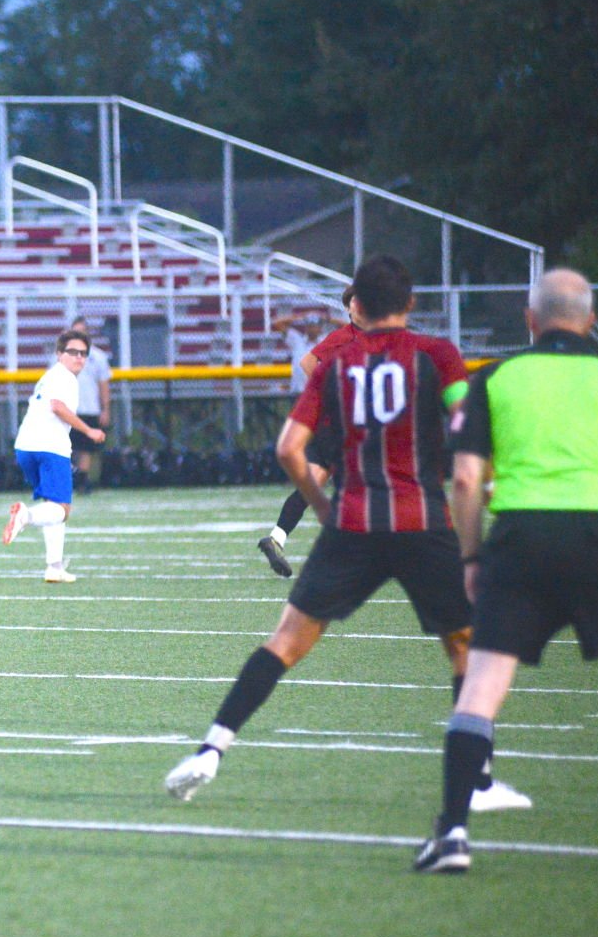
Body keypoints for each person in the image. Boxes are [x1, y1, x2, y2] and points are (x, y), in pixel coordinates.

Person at [162, 255, 526, 811]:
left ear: (357, 303)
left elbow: (288, 448)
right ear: (409, 303)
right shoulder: (438, 355)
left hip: (353, 519)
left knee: (285, 643)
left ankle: (210, 750)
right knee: (464, 646)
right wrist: (488, 485)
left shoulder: (337, 362)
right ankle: (477, 783)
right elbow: (466, 426)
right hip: (421, 518)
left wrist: (323, 510)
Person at [414, 269, 598, 873]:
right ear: (589, 321)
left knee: (481, 691)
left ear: (529, 321)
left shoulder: (498, 379)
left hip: (519, 540)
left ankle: (452, 834)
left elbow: (464, 480)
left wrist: (472, 556)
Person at [258, 292, 363, 577]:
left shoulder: (376, 337)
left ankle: (276, 538)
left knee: (313, 483)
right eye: (354, 304)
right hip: (341, 424)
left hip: (345, 423)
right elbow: (307, 364)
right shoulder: (347, 336)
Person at [2, 330, 105, 582]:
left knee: (52, 501)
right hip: (49, 447)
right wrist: (88, 429)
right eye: (73, 352)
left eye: (83, 354)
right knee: (62, 510)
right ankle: (26, 516)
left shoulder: (49, 377)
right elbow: (57, 407)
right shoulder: (66, 378)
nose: (79, 358)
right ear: (59, 354)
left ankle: (54, 566)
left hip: (25, 446)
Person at [66, 317, 113, 491]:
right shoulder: (62, 355)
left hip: (89, 407)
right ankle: (70, 479)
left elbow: (103, 384)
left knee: (86, 448)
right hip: (68, 408)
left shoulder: (98, 356)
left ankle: (83, 480)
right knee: (68, 447)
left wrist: (105, 409)